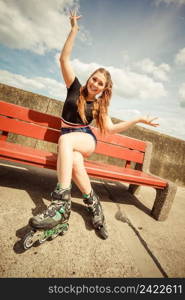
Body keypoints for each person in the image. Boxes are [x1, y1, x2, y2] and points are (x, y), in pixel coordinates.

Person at [29, 10, 159, 239]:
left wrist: (138, 120)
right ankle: (94, 204)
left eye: (101, 83)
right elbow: (64, 59)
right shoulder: (74, 87)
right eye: (94, 79)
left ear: (104, 89)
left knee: (66, 140)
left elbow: (109, 129)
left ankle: (60, 205)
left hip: (85, 139)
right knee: (75, 161)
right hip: (70, 142)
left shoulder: (99, 106)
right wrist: (74, 30)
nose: (96, 84)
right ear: (89, 78)